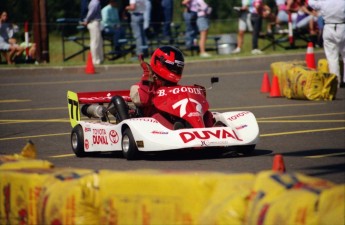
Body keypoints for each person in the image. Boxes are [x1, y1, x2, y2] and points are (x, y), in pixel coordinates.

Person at [129, 45, 214, 129]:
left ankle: (213, 130)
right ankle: (177, 130)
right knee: (156, 117)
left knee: (207, 114)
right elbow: (143, 100)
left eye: (178, 67)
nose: (175, 70)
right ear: (159, 62)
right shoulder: (140, 87)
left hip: (178, 120)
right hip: (154, 126)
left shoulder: (176, 88)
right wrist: (148, 74)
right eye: (172, 67)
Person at [308, 0, 345, 88]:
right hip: (342, 26)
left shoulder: (323, 2)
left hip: (329, 27)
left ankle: (335, 80)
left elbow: (311, 3)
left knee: (332, 57)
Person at [82, 0, 104, 65]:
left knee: (99, 42)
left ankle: (100, 58)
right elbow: (91, 12)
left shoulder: (95, 2)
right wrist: (86, 20)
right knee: (95, 42)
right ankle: (95, 60)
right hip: (94, 22)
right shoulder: (95, 2)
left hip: (95, 22)